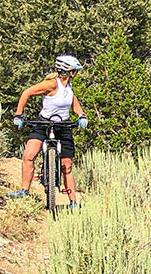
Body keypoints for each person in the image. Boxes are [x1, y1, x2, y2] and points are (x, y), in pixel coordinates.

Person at [6, 55, 89, 211]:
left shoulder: (68, 87)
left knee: (67, 165)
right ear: (69, 71)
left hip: (63, 126)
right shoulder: (51, 84)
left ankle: (73, 202)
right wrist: (18, 114)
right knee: (29, 154)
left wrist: (81, 116)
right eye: (74, 71)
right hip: (43, 123)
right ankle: (24, 191)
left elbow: (74, 104)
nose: (75, 73)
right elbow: (27, 93)